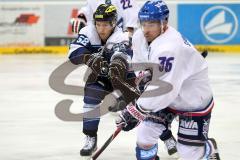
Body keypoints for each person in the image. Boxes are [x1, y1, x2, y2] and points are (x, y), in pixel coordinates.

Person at [115, 0, 221, 160]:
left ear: (164, 23)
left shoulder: (170, 47)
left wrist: (136, 110)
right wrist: (141, 81)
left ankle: (207, 149)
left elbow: (165, 88)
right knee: (144, 138)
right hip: (163, 99)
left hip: (191, 99)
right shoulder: (139, 37)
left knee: (188, 154)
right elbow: (141, 65)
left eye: (151, 24)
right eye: (143, 22)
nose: (146, 29)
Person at [68, 4, 133, 156]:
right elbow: (73, 52)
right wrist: (89, 58)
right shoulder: (88, 31)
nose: (101, 29)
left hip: (123, 77)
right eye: (98, 24)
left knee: (143, 107)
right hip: (101, 76)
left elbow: (122, 56)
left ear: (113, 23)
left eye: (105, 24)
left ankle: (164, 136)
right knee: (90, 97)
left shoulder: (121, 35)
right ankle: (90, 137)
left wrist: (115, 66)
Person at [71, 0, 139, 37]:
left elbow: (132, 15)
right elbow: (87, 10)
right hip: (101, 38)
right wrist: (80, 19)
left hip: (121, 37)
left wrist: (129, 35)